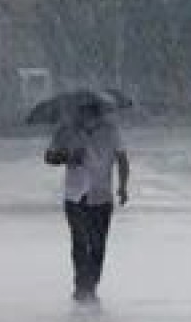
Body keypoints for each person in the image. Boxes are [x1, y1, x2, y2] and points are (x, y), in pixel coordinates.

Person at [44, 103, 129, 303]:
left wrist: (123, 187)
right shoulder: (65, 131)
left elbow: (122, 159)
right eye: (83, 111)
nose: (88, 115)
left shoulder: (111, 131)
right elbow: (49, 157)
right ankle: (81, 285)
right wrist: (67, 156)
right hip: (75, 195)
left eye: (92, 111)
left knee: (98, 244)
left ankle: (91, 285)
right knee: (80, 241)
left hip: (101, 195)